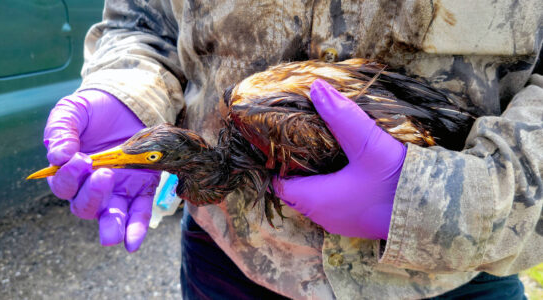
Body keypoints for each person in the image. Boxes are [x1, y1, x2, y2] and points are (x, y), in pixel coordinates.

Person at [43, 1, 543, 299]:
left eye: (149, 157)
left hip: (450, 280)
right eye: (149, 158)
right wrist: (130, 91)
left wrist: (435, 200)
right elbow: (146, 20)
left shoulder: (261, 123)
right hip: (225, 269)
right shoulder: (238, 135)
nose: (134, 158)